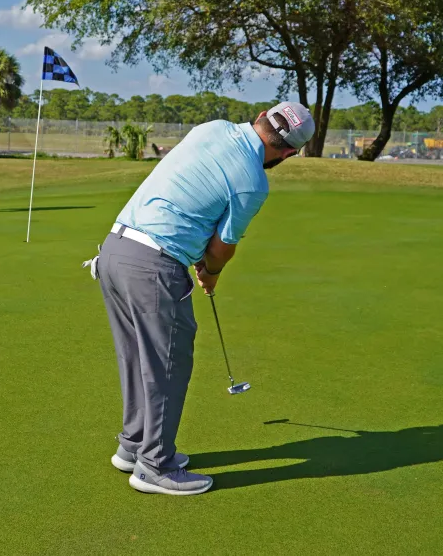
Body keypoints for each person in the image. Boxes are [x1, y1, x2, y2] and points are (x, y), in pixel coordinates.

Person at [88, 101, 315, 495]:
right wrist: (210, 274)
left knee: (137, 356)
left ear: (261, 115)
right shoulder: (253, 182)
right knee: (169, 363)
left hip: (113, 250)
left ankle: (133, 445)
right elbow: (221, 248)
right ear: (290, 152)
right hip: (153, 266)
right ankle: (154, 466)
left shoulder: (213, 127)